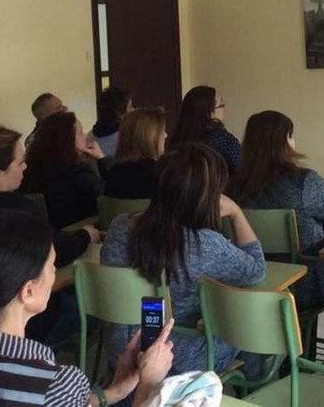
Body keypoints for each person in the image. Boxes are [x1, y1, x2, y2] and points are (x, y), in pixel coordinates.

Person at [0, 209, 174, 406]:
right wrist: (148, 386)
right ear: (28, 291)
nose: (55, 272)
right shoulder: (55, 385)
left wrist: (113, 391)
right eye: (52, 266)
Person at [102, 143, 266, 375]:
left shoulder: (119, 226)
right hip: (174, 357)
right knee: (250, 324)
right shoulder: (204, 243)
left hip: (121, 349)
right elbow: (257, 269)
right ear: (206, 196)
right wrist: (237, 213)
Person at [229, 110, 324, 307]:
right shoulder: (304, 183)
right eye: (291, 136)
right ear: (285, 141)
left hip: (252, 285)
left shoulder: (232, 188)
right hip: (308, 285)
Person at [0, 125, 99, 268]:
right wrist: (85, 236)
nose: (26, 166)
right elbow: (52, 251)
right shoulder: (18, 210)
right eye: (20, 162)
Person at [23, 112, 105, 229]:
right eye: (81, 133)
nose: (85, 136)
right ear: (69, 140)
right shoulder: (78, 172)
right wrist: (101, 159)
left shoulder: (30, 168)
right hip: (79, 231)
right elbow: (107, 196)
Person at [169, 86, 240, 174]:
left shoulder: (176, 140)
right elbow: (243, 166)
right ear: (210, 113)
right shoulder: (221, 139)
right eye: (221, 105)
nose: (224, 109)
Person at [105, 108, 167, 199]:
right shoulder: (162, 176)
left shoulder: (111, 175)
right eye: (162, 132)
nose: (166, 135)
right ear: (150, 138)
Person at [89, 87, 133, 158]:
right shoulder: (127, 138)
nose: (133, 110)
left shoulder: (90, 136)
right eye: (130, 107)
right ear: (120, 114)